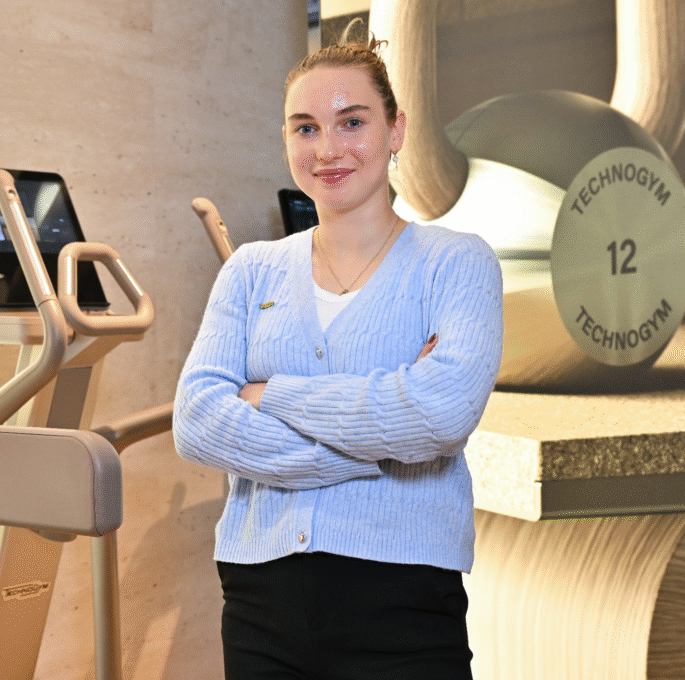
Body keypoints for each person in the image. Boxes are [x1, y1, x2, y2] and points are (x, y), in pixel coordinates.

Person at [173, 28, 503, 680]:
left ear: (396, 129)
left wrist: (272, 395)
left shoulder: (456, 264)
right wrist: (366, 451)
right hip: (259, 603)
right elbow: (198, 419)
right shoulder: (250, 271)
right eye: (305, 128)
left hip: (404, 605)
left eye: (351, 122)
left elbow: (437, 415)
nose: (327, 148)